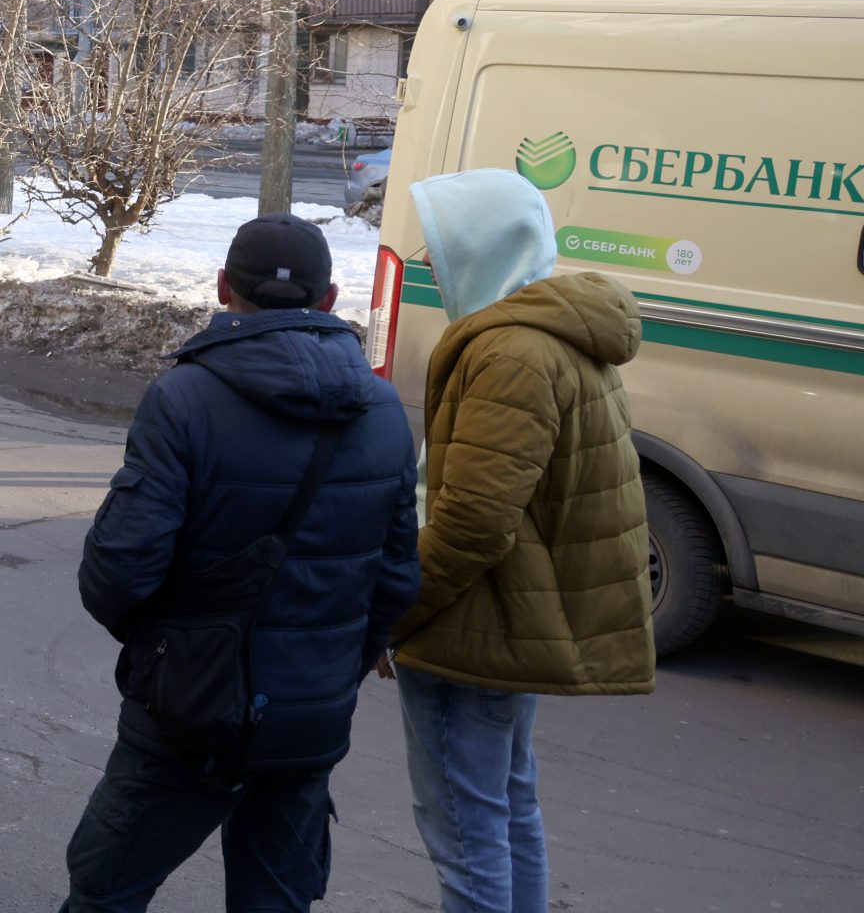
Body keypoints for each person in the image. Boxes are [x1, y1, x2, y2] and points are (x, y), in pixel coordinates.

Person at [59, 214, 420, 912]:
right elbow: (398, 577)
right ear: (331, 298)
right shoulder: (381, 409)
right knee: (276, 899)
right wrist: (334, 662)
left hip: (191, 706)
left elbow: (120, 569)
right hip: (311, 716)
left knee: (106, 887)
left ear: (224, 287)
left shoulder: (184, 397)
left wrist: (162, 647)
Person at [389, 169, 653, 913]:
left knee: (466, 834)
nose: (429, 262)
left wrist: (395, 612)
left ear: (482, 245)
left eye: (439, 246)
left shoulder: (510, 351)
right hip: (513, 617)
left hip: (475, 627)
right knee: (508, 810)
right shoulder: (556, 333)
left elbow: (473, 521)